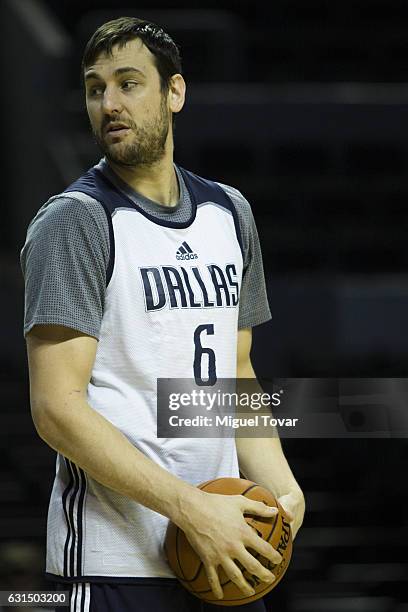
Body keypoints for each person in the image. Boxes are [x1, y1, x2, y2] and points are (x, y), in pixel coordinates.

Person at [20, 16, 305, 612]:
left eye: (129, 83)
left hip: (223, 551)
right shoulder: (76, 222)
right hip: (112, 564)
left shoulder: (230, 213)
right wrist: (189, 507)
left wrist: (282, 486)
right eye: (96, 88)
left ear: (175, 92)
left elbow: (236, 374)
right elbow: (56, 409)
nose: (109, 103)